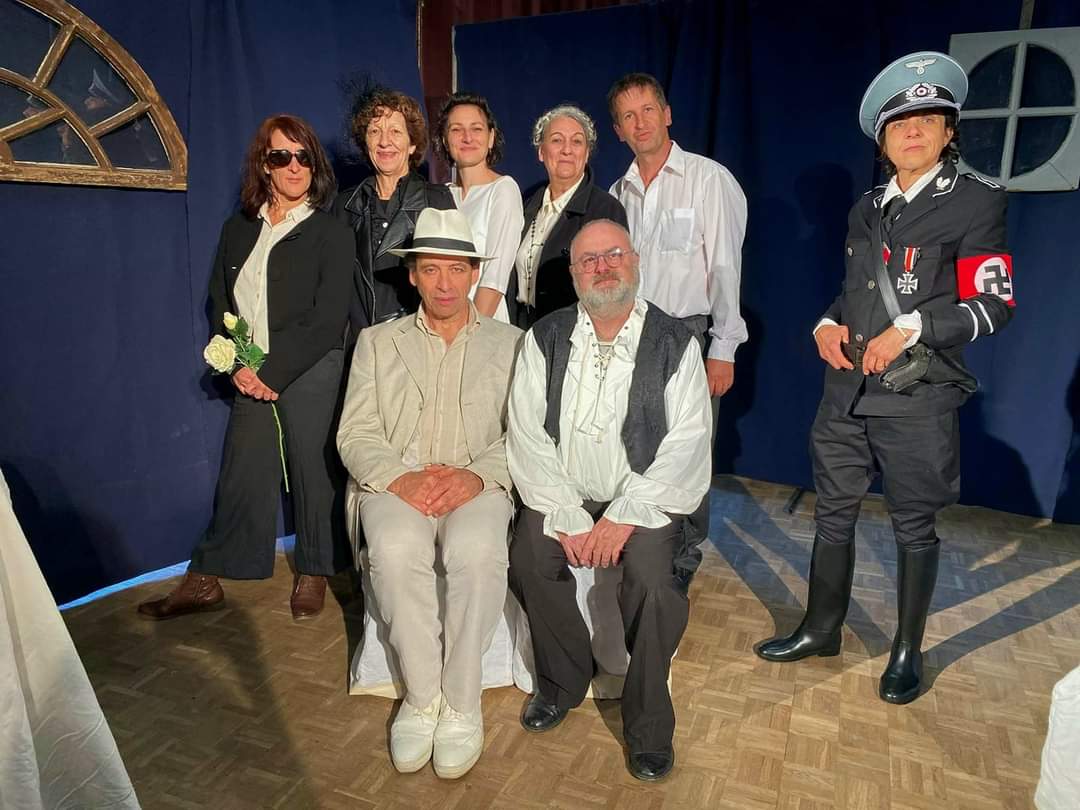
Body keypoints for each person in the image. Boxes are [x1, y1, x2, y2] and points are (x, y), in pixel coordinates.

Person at [755, 52, 1015, 705]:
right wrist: (826, 323)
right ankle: (822, 628)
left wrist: (915, 327)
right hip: (846, 393)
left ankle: (906, 651)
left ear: (949, 131)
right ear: (882, 139)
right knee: (833, 512)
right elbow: (856, 294)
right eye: (900, 123)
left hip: (916, 396)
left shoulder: (976, 200)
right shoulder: (866, 208)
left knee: (913, 526)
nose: (913, 131)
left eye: (928, 119)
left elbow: (994, 305)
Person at [507, 219, 712, 781]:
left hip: (646, 499)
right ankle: (562, 682)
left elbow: (688, 442)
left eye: (613, 255)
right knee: (529, 556)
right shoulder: (545, 337)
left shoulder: (675, 342)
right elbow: (526, 432)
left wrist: (623, 515)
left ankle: (648, 726)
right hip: (565, 492)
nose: (603, 268)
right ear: (574, 274)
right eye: (589, 260)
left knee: (653, 581)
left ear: (635, 261)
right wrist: (566, 512)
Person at [139, 114, 354, 621]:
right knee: (240, 472)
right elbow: (221, 302)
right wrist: (238, 363)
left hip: (310, 367)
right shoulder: (238, 229)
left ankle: (315, 569)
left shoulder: (331, 230)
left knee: (313, 469)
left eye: (304, 156)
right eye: (282, 156)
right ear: (264, 164)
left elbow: (328, 319)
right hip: (250, 368)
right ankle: (206, 578)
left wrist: (271, 374)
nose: (294, 166)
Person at [337, 208, 521, 779]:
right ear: (412, 274)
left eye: (457, 269)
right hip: (397, 479)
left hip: (478, 481)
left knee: (477, 551)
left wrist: (476, 477)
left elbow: (526, 435)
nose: (445, 283)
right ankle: (421, 698)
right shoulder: (376, 343)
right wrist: (401, 478)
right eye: (432, 269)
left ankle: (462, 703)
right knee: (393, 550)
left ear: (474, 274)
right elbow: (356, 431)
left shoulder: (514, 344)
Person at [608, 72, 747, 399]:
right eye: (629, 116)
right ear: (619, 131)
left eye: (648, 110)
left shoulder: (709, 179)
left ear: (667, 114)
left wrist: (723, 348)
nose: (640, 123)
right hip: (626, 340)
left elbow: (724, 267)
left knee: (688, 433)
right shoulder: (617, 194)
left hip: (686, 335)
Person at [333, 87, 454, 333]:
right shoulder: (344, 206)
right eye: (374, 131)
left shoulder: (437, 201)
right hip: (358, 345)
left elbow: (450, 282)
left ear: (412, 144)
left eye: (395, 132)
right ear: (365, 142)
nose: (384, 141)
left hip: (416, 340)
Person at [509, 104, 627, 328]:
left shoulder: (605, 209)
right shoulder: (526, 207)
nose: (567, 150)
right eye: (556, 140)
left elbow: (613, 292)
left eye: (577, 142)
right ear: (541, 152)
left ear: (587, 153)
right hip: (521, 328)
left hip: (572, 333)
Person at [433, 92, 524, 323]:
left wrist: (467, 334)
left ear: (491, 137)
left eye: (476, 129)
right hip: (440, 325)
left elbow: (494, 280)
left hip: (483, 325)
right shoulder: (441, 195)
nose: (467, 138)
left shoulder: (503, 189)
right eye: (456, 129)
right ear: (444, 140)